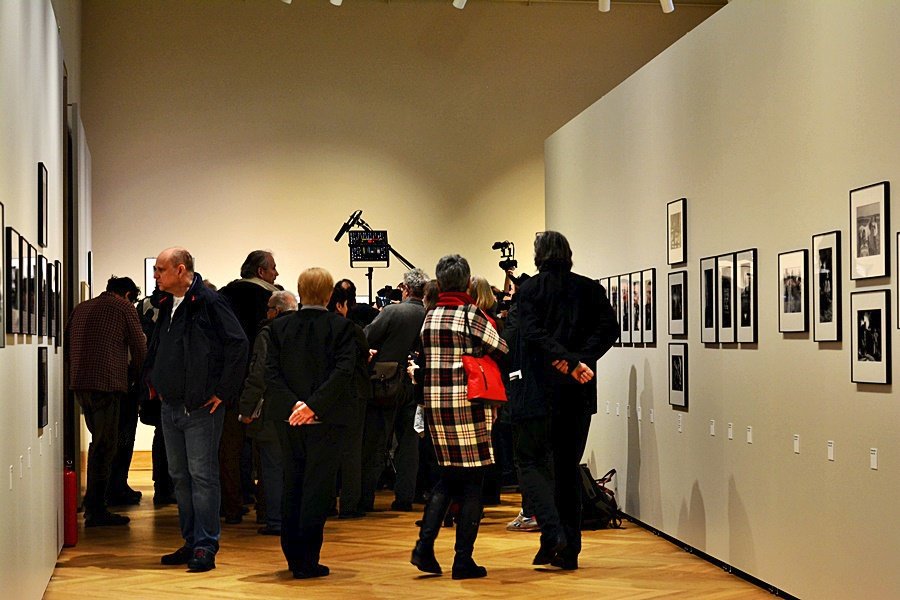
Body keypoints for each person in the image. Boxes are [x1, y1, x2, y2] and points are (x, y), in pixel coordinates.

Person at [509, 231, 618, 571]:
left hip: (540, 391)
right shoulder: (589, 288)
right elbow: (609, 329)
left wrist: (566, 360)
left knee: (536, 464)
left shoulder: (529, 290)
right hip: (578, 390)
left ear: (539, 255)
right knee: (568, 469)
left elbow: (532, 333)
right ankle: (568, 548)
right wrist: (580, 361)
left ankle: (553, 536)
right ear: (568, 254)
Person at [144, 247, 248, 573]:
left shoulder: (209, 302)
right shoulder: (165, 303)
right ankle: (191, 541)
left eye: (160, 270)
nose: (155, 275)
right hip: (171, 406)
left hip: (200, 408)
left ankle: (205, 545)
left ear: (180, 269)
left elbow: (238, 343)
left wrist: (223, 392)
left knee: (202, 477)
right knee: (180, 477)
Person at [411, 254, 507, 580]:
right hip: (469, 404)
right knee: (473, 482)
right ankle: (462, 560)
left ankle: (424, 547)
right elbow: (501, 347)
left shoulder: (430, 315)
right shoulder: (470, 315)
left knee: (447, 477)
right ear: (467, 283)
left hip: (436, 406)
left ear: (439, 283)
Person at [265, 267, 359, 579]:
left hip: (290, 419)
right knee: (318, 489)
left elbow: (272, 374)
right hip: (326, 419)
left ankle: (293, 555)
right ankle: (308, 559)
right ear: (330, 295)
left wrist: (295, 405)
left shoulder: (279, 328)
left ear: (300, 291)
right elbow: (343, 373)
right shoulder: (342, 328)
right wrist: (314, 406)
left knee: (292, 483)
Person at [65, 276, 147, 527]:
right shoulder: (124, 308)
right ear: (128, 294)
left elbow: (67, 342)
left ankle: (95, 503)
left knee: (98, 442)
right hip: (107, 384)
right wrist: (139, 377)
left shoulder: (82, 307)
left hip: (80, 383)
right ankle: (96, 509)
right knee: (105, 445)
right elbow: (140, 346)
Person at [219, 250, 281, 524]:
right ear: (261, 272)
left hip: (227, 383)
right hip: (262, 385)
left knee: (229, 448)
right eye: (273, 268)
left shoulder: (223, 295)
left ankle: (231, 505)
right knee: (264, 449)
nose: (277, 273)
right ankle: (266, 510)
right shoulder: (271, 299)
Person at [361, 268, 429, 512]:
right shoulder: (428, 314)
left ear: (405, 288)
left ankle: (366, 497)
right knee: (409, 444)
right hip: (415, 384)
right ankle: (404, 497)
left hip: (385, 383)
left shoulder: (392, 311)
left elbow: (366, 337)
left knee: (377, 442)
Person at [238, 290, 298, 536]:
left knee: (272, 467)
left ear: (276, 311)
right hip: (302, 408)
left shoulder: (270, 332)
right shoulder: (308, 330)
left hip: (273, 409)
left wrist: (246, 408)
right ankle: (295, 519)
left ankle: (275, 520)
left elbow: (259, 373)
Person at [327, 283, 371, 518]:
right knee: (352, 451)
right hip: (354, 394)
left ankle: (326, 503)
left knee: (328, 451)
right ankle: (350, 505)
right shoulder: (352, 329)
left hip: (326, 396)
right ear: (341, 305)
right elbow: (362, 356)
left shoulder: (322, 328)